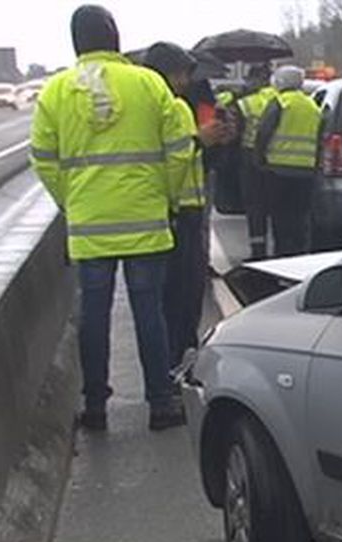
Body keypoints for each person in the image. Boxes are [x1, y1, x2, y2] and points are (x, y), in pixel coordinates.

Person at [30, 5, 191, 431]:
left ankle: (96, 406)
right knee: (149, 313)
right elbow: (180, 147)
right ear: (115, 37)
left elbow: (43, 159)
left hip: (89, 226)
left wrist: (73, 200)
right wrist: (167, 197)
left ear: (75, 42)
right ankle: (160, 402)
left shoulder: (55, 92)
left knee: (93, 316)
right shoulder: (148, 84)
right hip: (146, 220)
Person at [142, 42, 231, 368]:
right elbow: (166, 159)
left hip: (190, 206)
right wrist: (199, 141)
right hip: (170, 210)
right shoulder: (154, 107)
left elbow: (201, 158)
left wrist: (218, 141)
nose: (185, 80)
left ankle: (183, 353)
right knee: (172, 292)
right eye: (180, 73)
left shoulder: (196, 97)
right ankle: (172, 359)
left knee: (189, 288)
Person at [255, 65, 319, 257]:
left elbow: (263, 133)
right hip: (306, 172)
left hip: (278, 171)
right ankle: (299, 255)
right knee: (300, 218)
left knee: (280, 219)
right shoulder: (312, 106)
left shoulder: (280, 103)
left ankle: (281, 255)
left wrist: (259, 159)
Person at [236, 64, 277, 258]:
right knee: (276, 207)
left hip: (250, 158)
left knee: (255, 207)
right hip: (276, 159)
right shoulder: (279, 100)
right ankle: (281, 251)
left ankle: (258, 251)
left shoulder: (247, 102)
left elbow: (235, 133)